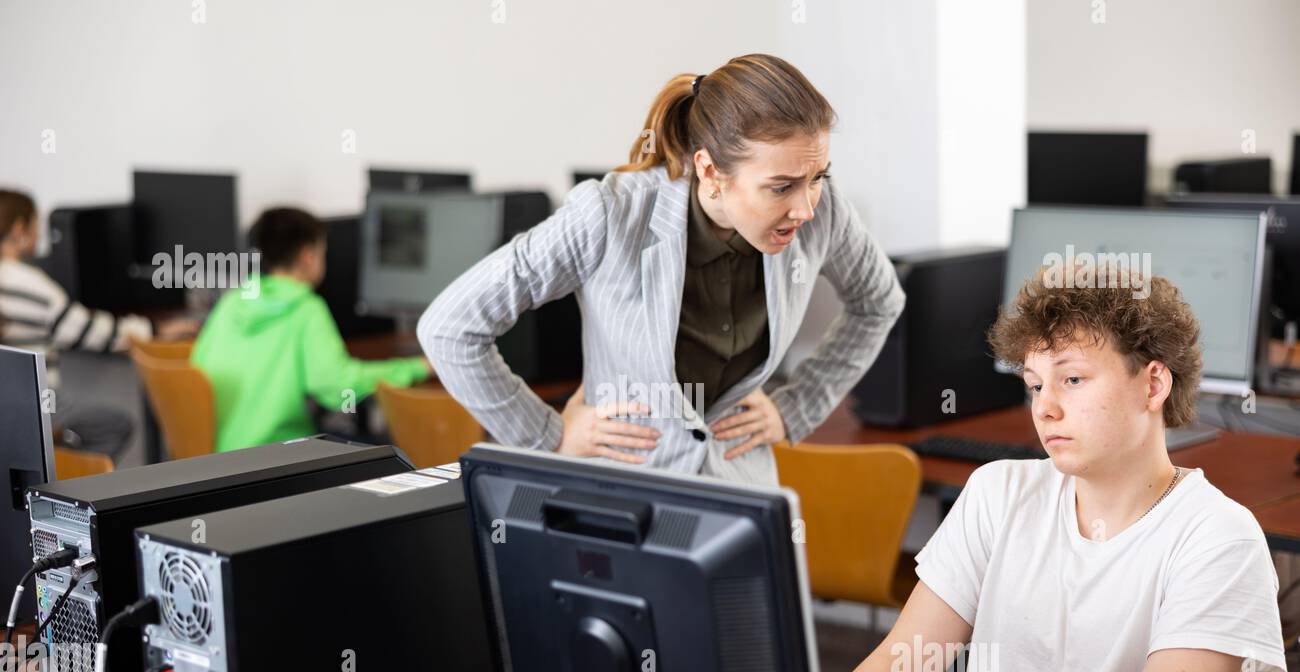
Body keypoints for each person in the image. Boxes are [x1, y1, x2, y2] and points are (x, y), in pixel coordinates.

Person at [823, 264, 1287, 672]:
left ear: (1154, 383)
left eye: (1072, 379)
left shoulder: (1218, 538)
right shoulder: (997, 494)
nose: (1044, 407)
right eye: (1034, 384)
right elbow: (897, 669)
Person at [418, 53, 905, 485]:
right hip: (621, 495)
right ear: (711, 172)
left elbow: (879, 302)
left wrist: (798, 405)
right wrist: (545, 435)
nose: (806, 208)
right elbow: (450, 327)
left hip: (742, 496)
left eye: (818, 177)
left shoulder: (827, 214)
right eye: (781, 187)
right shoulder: (610, 214)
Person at [191, 207, 431, 451]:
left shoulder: (234, 300)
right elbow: (338, 387)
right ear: (308, 255)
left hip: (220, 456)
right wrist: (417, 367)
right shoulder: (306, 309)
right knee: (389, 451)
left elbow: (197, 364)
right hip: (277, 456)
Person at [0, 189, 194, 375]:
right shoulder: (33, 286)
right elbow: (94, 333)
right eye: (36, 224)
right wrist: (155, 329)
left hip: (12, 400)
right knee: (114, 409)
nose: (41, 235)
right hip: (42, 402)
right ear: (19, 229)